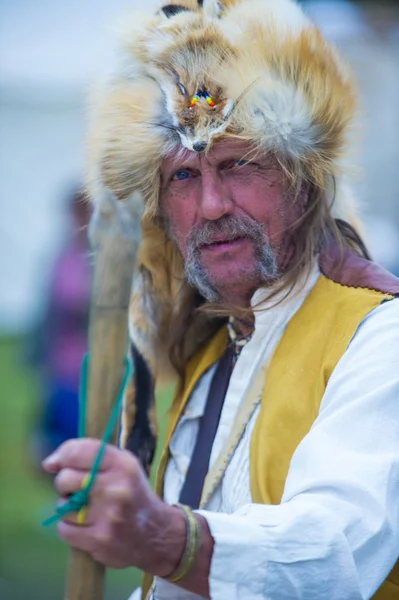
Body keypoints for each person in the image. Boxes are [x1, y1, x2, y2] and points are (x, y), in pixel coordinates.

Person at [42, 1, 399, 599]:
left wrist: (163, 537)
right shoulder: (210, 351)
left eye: (239, 166)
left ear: (302, 182)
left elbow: (329, 556)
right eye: (184, 176)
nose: (212, 206)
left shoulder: (380, 342)